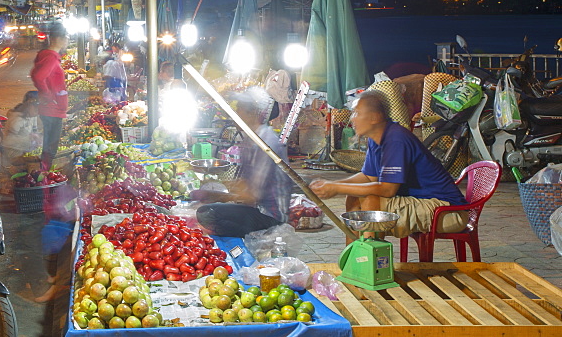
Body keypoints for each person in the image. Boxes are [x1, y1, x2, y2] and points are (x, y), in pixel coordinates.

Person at [309, 89, 468, 240]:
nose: (352, 118)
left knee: (371, 200)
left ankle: (370, 262)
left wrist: (336, 188)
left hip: (447, 211)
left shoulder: (395, 139)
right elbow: (368, 176)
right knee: (354, 198)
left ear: (374, 117)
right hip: (426, 203)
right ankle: (354, 261)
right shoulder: (375, 138)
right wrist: (331, 184)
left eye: (357, 113)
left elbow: (387, 189)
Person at [191, 87, 291, 237]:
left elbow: (251, 196)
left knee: (209, 215)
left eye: (239, 110)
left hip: (270, 215)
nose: (235, 115)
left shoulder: (265, 143)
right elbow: (245, 185)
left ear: (252, 114)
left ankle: (253, 238)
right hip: (255, 207)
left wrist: (219, 196)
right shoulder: (250, 140)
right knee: (207, 211)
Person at [30, 23, 68, 171]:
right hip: (52, 109)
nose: (66, 41)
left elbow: (35, 74)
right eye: (65, 37)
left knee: (49, 145)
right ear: (57, 38)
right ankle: (44, 175)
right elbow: (39, 77)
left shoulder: (48, 56)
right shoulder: (51, 58)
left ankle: (44, 172)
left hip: (51, 108)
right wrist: (48, 96)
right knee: (51, 146)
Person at [0, 91, 41, 169]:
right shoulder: (17, 119)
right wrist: (29, 139)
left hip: (25, 151)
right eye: (36, 108)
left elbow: (35, 130)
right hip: (13, 155)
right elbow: (7, 141)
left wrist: (36, 135)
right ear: (28, 106)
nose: (38, 111)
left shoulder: (32, 116)